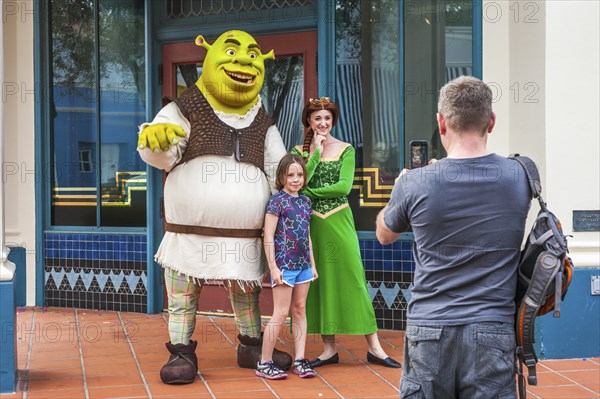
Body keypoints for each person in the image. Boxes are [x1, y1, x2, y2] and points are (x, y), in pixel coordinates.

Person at [137, 30, 291, 385]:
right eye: (232, 51)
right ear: (207, 58)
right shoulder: (182, 109)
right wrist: (154, 140)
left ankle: (251, 346)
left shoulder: (263, 121)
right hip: (186, 236)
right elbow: (160, 153)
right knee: (182, 296)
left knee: (247, 296)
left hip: (245, 237)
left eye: (253, 54)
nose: (243, 61)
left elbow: (279, 170)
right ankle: (180, 352)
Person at [375, 76, 531, 398]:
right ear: (491, 121)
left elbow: (384, 235)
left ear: (441, 123)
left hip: (430, 327)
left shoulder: (415, 183)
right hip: (493, 328)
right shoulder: (522, 175)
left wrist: (402, 188)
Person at [291, 97, 401, 369]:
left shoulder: (347, 149)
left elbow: (343, 187)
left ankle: (374, 347)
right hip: (312, 224)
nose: (323, 123)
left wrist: (308, 192)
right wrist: (315, 152)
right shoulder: (299, 151)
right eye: (317, 118)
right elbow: (300, 178)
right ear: (309, 121)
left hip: (339, 221)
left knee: (354, 279)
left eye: (327, 118)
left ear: (333, 121)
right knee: (321, 283)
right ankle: (329, 349)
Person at [256, 153, 319, 380]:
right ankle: (264, 363)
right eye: (290, 175)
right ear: (281, 176)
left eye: (299, 174)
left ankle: (301, 359)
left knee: (300, 309)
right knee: (280, 313)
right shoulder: (277, 201)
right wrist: (273, 267)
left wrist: (312, 265)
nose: (295, 179)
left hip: (303, 265)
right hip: (284, 265)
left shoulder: (304, 201)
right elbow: (268, 236)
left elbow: (307, 235)